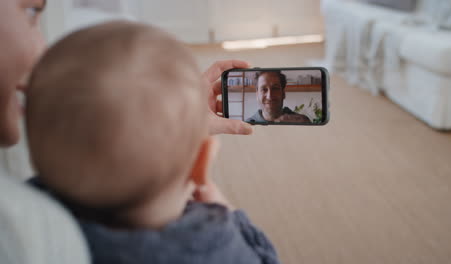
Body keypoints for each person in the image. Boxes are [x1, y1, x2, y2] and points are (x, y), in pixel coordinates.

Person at [26, 21, 280, 264]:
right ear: (200, 165)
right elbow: (265, 258)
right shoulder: (216, 245)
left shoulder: (27, 225)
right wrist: (227, 212)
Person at [246, 71, 311, 123]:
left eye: (275, 88)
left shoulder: (302, 122)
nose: (269, 96)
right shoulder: (247, 125)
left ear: (283, 93)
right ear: (257, 95)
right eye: (264, 89)